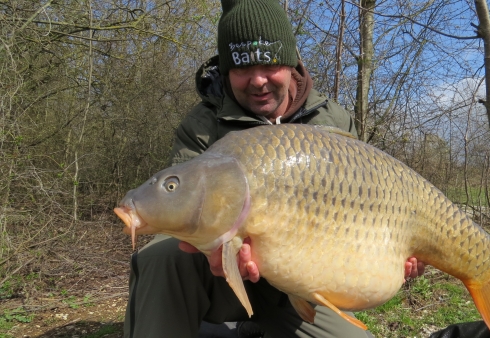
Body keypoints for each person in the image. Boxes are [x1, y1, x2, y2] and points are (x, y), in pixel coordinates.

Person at [123, 0, 425, 337]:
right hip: (218, 282)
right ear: (225, 71)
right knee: (161, 257)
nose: (258, 81)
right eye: (240, 69)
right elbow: (177, 211)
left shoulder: (333, 120)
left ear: (291, 64)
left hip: (300, 287)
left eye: (269, 66)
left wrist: (403, 250)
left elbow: (369, 216)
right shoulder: (202, 125)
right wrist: (214, 250)